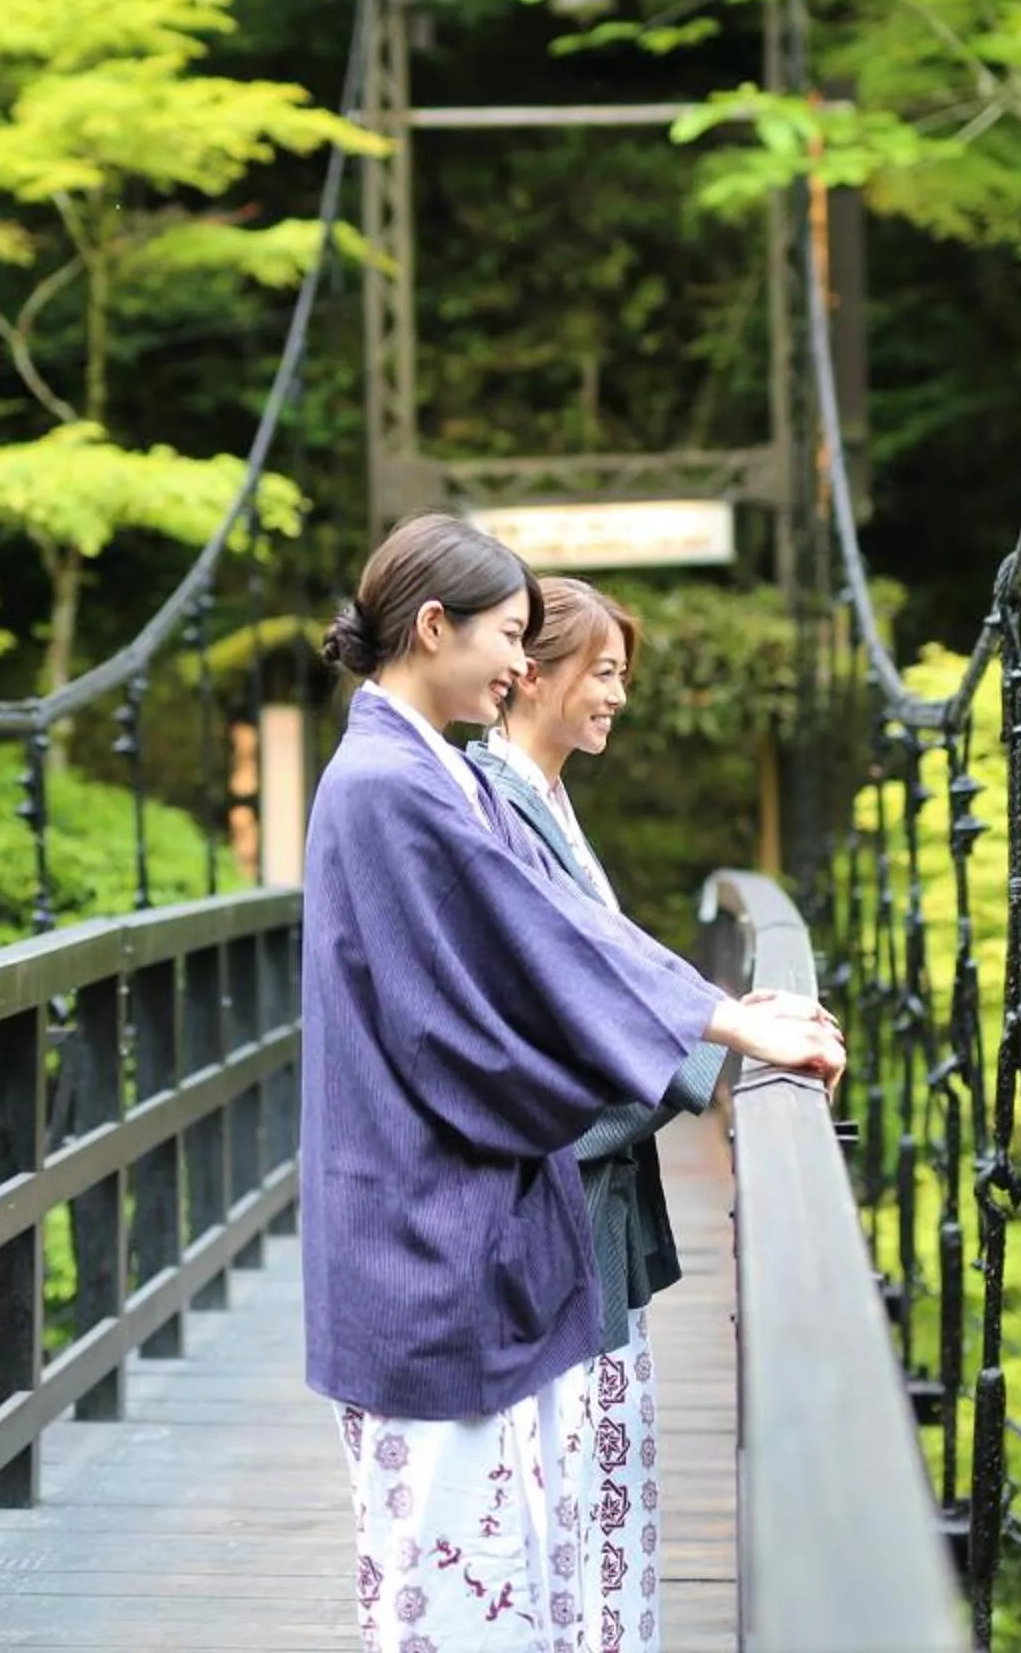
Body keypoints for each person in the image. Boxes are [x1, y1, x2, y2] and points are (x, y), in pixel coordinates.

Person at [300, 513, 842, 1653]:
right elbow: (538, 952)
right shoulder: (393, 783)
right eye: (509, 635)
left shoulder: (424, 769)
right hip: (424, 1236)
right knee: (455, 1586)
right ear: (435, 626)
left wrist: (722, 1018)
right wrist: (725, 1024)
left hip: (446, 1225)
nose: (517, 663)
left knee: (498, 1569)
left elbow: (561, 936)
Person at [467, 580, 704, 1653]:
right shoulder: (496, 810)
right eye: (603, 672)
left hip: (582, 1199)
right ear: (532, 674)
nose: (618, 695)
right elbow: (560, 1013)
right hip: (554, 1199)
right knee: (570, 1497)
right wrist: (712, 1049)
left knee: (590, 1493)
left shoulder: (545, 800)